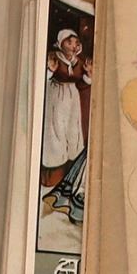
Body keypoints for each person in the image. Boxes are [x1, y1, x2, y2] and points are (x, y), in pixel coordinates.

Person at [40, 28, 92, 222]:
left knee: (72, 134)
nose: (73, 46)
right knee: (56, 134)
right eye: (69, 42)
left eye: (76, 42)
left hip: (72, 99)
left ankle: (68, 174)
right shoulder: (55, 58)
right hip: (56, 97)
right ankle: (51, 176)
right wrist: (49, 71)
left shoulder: (79, 62)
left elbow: (81, 82)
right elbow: (42, 79)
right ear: (61, 43)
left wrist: (88, 75)